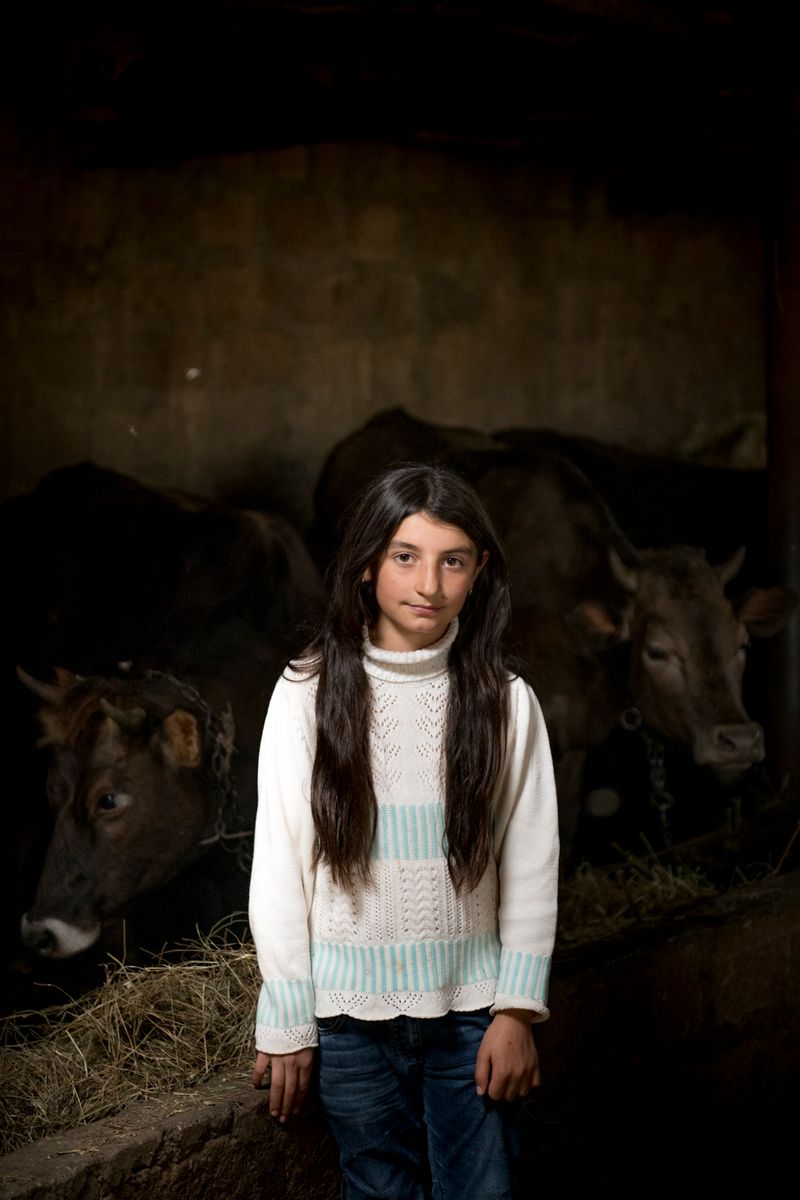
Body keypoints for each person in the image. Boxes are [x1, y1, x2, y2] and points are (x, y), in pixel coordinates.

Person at [249, 462, 560, 1199]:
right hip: (348, 1027)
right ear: (366, 565)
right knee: (380, 1191)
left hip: (471, 1015)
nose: (429, 585)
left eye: (454, 561)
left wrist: (517, 1011)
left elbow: (532, 862)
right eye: (405, 557)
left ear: (479, 572)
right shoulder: (307, 692)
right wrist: (288, 1019)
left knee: (482, 1190)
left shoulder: (505, 701)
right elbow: (280, 863)